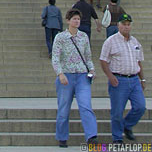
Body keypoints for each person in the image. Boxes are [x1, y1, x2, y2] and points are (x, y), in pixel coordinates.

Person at [52, 8, 98, 148]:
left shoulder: (83, 36)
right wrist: (60, 74)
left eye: (78, 19)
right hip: (66, 75)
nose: (76, 21)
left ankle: (91, 136)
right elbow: (55, 57)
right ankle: (62, 137)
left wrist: (92, 69)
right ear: (68, 21)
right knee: (64, 108)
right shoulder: (60, 37)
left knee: (85, 106)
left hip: (82, 75)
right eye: (74, 19)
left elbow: (88, 56)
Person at [100, 13, 146, 144]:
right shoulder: (111, 41)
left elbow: (139, 62)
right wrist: (110, 76)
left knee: (140, 107)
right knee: (117, 111)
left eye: (128, 24)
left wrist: (142, 79)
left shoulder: (135, 41)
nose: (126, 27)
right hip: (119, 80)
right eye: (123, 24)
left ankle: (127, 125)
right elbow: (103, 60)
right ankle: (117, 138)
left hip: (134, 79)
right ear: (118, 25)